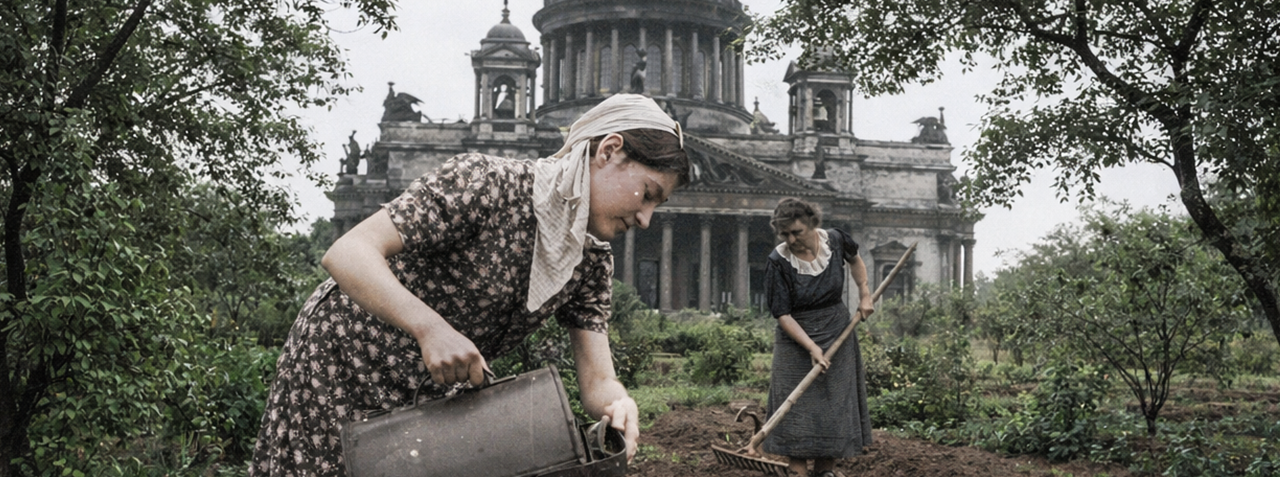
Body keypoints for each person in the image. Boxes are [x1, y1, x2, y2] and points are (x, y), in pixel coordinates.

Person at [250, 94, 689, 477]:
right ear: (609, 151)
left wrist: (618, 404)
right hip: (342, 363)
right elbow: (347, 253)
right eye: (647, 193)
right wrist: (430, 328)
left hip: (432, 387)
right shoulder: (486, 183)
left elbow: (598, 380)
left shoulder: (589, 261)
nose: (646, 219)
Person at [762, 197, 873, 477]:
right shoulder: (778, 261)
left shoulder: (835, 241)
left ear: (813, 224)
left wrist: (865, 294)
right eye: (784, 233)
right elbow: (782, 314)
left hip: (837, 331)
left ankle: (826, 472)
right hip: (795, 340)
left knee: (833, 405)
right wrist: (811, 346)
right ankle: (796, 472)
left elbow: (856, 261)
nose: (791, 239)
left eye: (797, 232)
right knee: (795, 410)